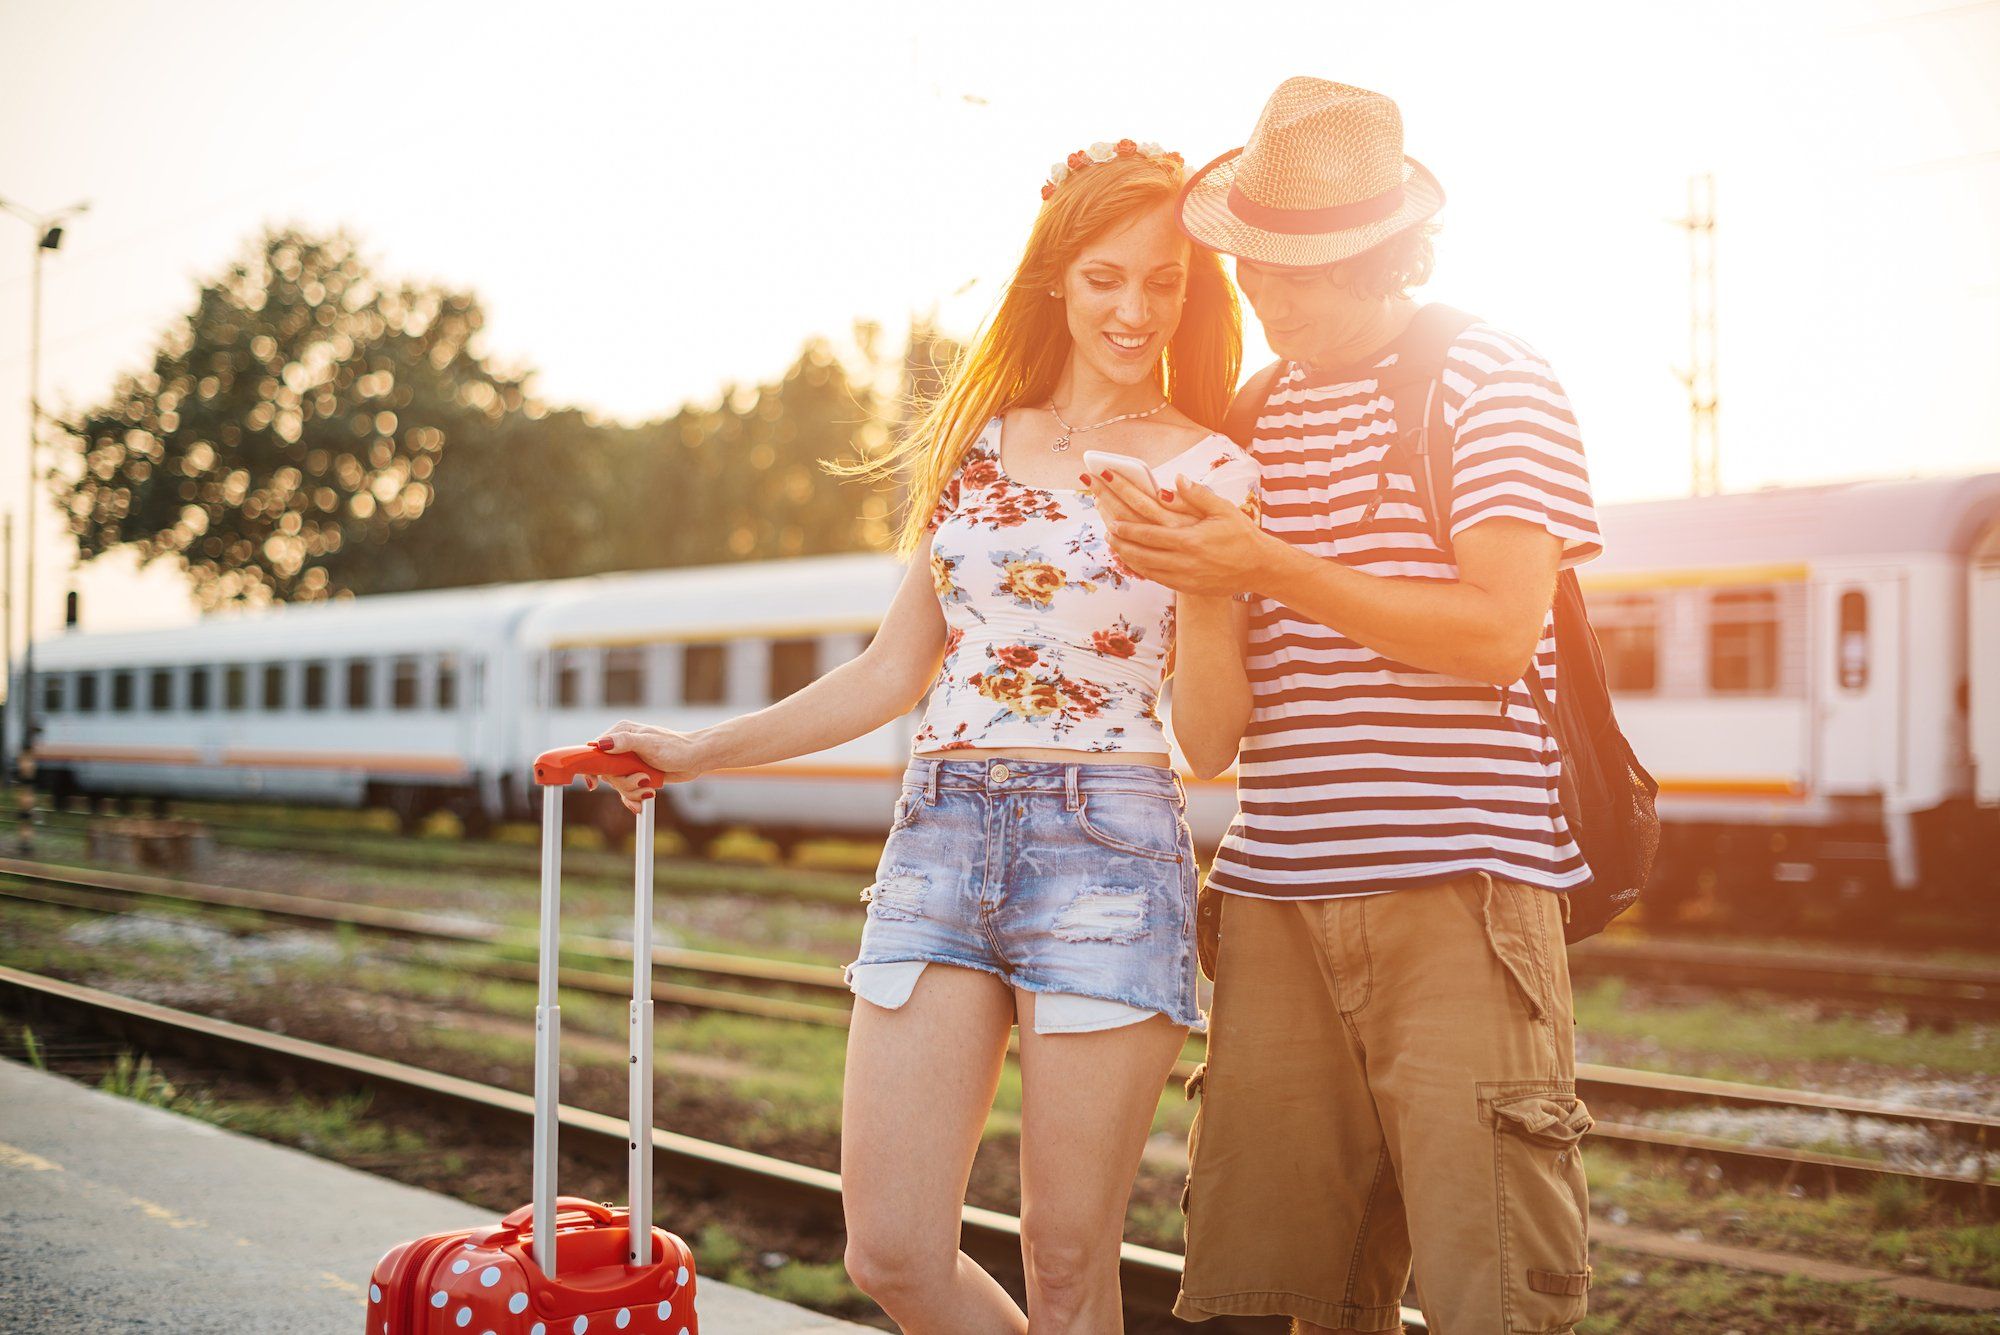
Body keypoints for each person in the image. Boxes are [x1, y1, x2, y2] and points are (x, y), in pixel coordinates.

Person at [588, 137, 1259, 1334]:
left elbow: (1209, 740)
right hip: (940, 836)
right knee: (889, 1251)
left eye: (1165, 282)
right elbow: (892, 671)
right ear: (1057, 276)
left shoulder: (1210, 468)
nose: (1135, 307)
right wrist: (697, 754)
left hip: (1107, 844)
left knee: (1065, 1262)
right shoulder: (980, 446)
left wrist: (1200, 571)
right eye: (1107, 275)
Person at [1090, 79, 1603, 1335]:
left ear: (1385, 254)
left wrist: (1265, 565)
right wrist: (1200, 581)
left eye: (1298, 274)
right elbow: (1210, 740)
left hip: (1458, 893)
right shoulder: (1254, 416)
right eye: (1250, 269)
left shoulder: (1490, 377)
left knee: (1496, 1291)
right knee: (1287, 1297)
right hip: (1271, 910)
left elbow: (1494, 633)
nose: (1263, 299)